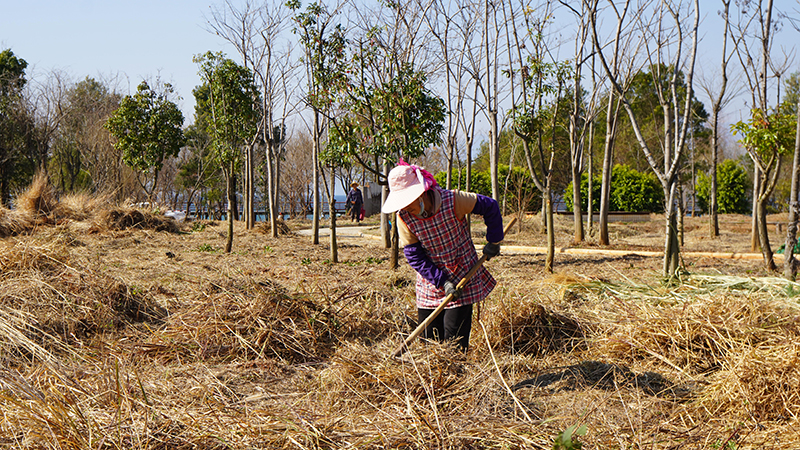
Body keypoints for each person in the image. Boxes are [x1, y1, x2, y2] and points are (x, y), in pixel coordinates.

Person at [382, 160, 503, 352]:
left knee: (454, 342)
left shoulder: (454, 200)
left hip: (463, 274)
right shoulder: (403, 218)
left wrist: (494, 240)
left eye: (407, 202)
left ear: (421, 193)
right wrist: (441, 281)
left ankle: (456, 379)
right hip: (431, 281)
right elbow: (414, 256)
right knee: (429, 342)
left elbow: (490, 206)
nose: (405, 208)